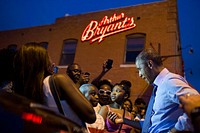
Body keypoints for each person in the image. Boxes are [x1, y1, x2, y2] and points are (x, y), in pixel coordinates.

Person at [13, 42, 96, 127]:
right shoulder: (58, 79)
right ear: (42, 62)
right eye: (48, 57)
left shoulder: (21, 91)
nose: (51, 62)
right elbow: (91, 116)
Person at [135, 48, 199, 133]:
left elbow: (197, 103)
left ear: (150, 64)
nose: (139, 74)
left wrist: (176, 130)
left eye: (139, 69)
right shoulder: (160, 86)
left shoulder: (170, 81)